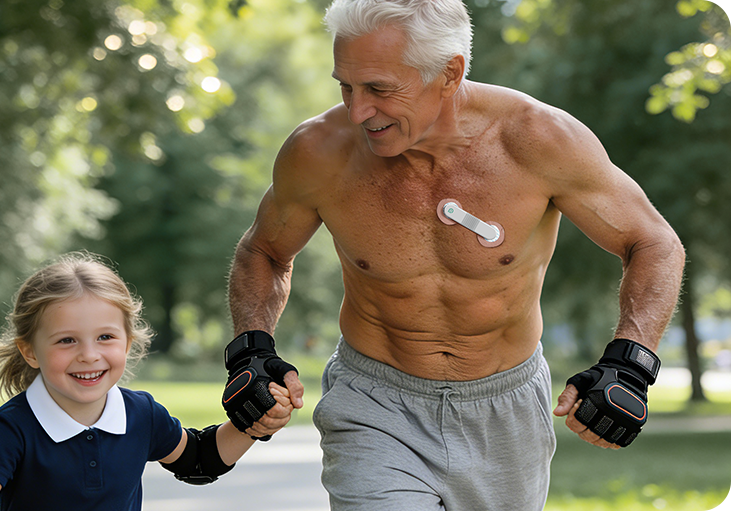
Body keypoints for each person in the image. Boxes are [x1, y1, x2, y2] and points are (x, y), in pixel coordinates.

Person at [224, 0, 686, 509]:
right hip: (374, 401)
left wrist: (631, 363)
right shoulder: (318, 152)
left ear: (450, 73)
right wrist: (252, 347)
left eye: (379, 89)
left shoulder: (538, 140)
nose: (358, 111)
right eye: (346, 86)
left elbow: (653, 242)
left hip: (505, 407)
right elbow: (263, 250)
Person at [0, 252, 293, 511]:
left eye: (105, 338)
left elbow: (198, 460)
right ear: (30, 352)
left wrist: (252, 423)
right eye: (66, 340)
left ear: (128, 343)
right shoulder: (14, 426)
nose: (89, 355)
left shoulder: (141, 414)